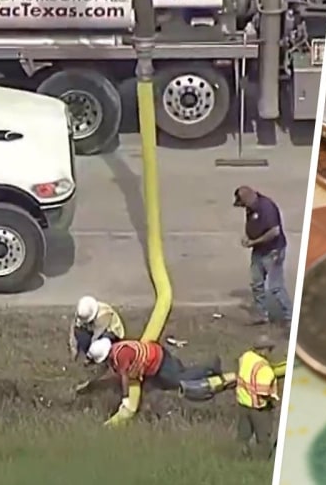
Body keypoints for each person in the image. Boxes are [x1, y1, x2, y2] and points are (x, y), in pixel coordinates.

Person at [76, 337, 221, 417]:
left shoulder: (121, 356)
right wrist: (90, 384)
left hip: (159, 363)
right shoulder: (115, 349)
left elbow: (124, 377)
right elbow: (105, 369)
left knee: (178, 381)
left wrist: (126, 399)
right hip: (156, 357)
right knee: (165, 382)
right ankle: (179, 367)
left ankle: (210, 368)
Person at [233, 186, 292, 327]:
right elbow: (252, 224)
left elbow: (274, 232)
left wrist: (254, 242)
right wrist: (248, 236)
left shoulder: (267, 207)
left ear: (247, 198)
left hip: (273, 251)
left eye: (243, 204)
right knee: (257, 283)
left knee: (276, 287)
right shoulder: (251, 207)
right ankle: (261, 315)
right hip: (259, 251)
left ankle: (290, 316)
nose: (243, 207)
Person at [236, 335, 281, 459]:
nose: (270, 352)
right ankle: (263, 460)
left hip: (243, 404)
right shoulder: (264, 368)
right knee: (263, 438)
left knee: (243, 436)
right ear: (265, 350)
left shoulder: (245, 357)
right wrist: (273, 399)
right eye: (270, 349)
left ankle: (241, 458)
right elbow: (263, 393)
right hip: (259, 409)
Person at [70, 295, 126, 361]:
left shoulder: (103, 315)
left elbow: (96, 336)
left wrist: (89, 354)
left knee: (98, 346)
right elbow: (74, 326)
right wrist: (73, 347)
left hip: (111, 331)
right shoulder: (82, 312)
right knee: (79, 332)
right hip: (94, 327)